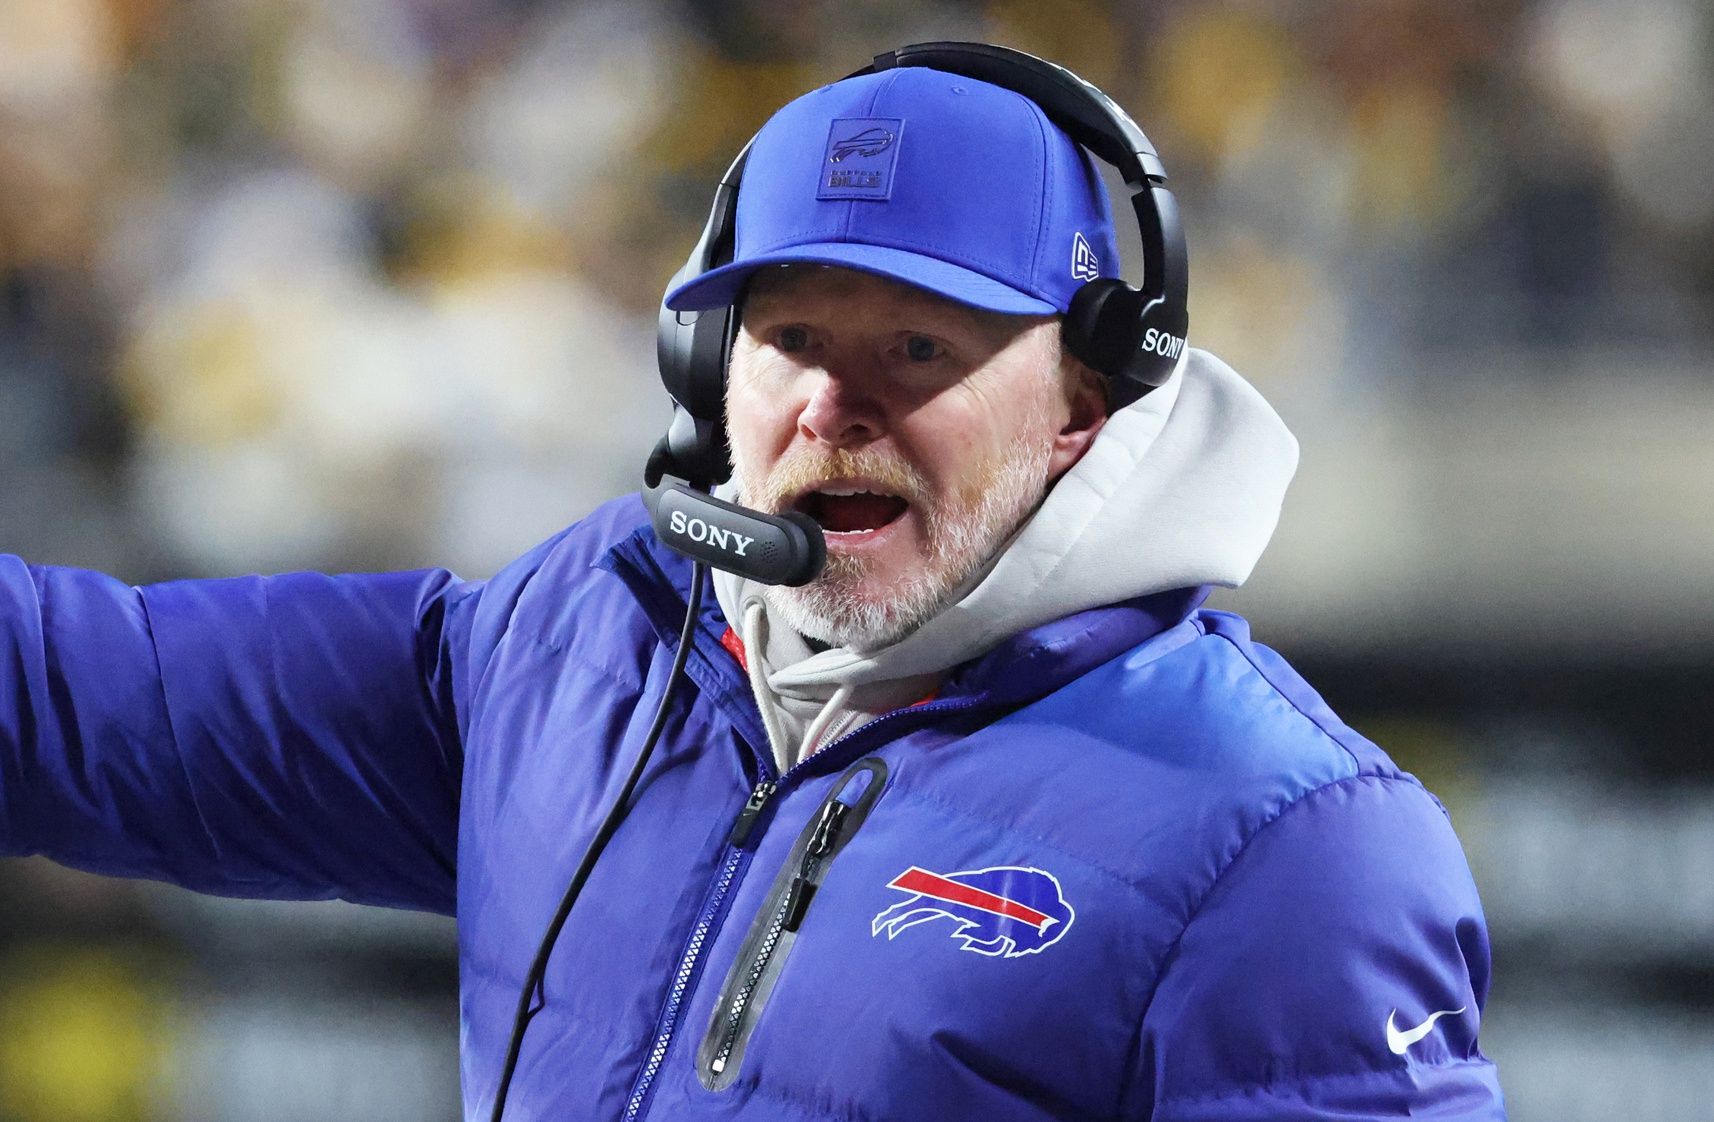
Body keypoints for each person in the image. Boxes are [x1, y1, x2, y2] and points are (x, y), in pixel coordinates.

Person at [0, 51, 1506, 1122]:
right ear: (702, 372)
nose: (832, 407)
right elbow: (70, 697)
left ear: (1083, 402)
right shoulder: (587, 643)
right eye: (788, 339)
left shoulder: (1287, 844)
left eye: (919, 346)